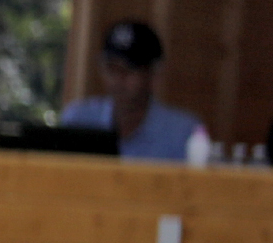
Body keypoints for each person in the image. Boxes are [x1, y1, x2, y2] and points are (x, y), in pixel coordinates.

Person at [60, 17, 206, 162]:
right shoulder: (78, 120)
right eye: (111, 69)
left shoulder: (182, 132)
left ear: (153, 74)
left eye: (129, 70)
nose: (117, 79)